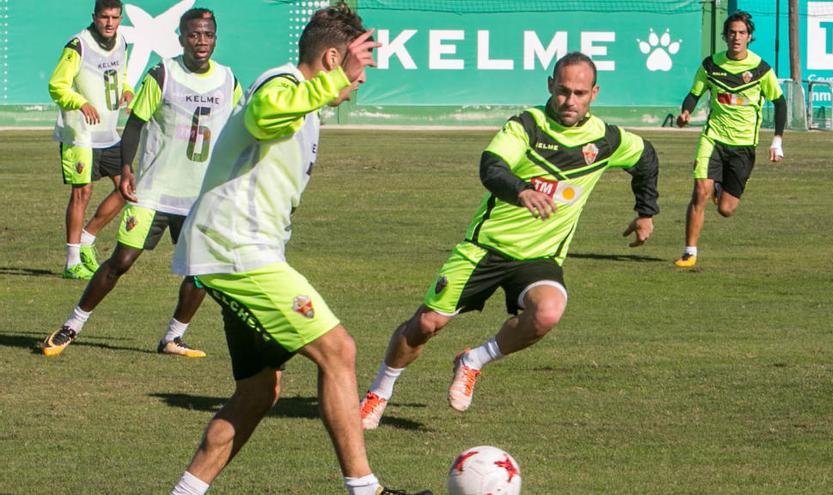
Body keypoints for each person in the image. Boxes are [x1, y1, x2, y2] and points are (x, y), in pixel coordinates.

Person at [168, 4, 430, 495]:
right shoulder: (280, 82)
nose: (361, 81)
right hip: (236, 250)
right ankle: (365, 489)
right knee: (339, 351)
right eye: (359, 67)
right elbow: (266, 115)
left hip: (239, 251)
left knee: (258, 391)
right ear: (333, 59)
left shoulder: (307, 103)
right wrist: (330, 86)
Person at [359, 51, 660, 429]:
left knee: (548, 312)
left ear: (594, 93)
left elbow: (646, 156)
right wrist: (521, 191)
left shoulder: (605, 139)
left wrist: (646, 211)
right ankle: (379, 392)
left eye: (580, 93)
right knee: (427, 324)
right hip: (484, 249)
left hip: (539, 257)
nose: (570, 101)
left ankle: (473, 361)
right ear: (550, 85)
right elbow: (492, 166)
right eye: (563, 91)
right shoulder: (526, 125)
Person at [41, 8, 242, 358]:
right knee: (121, 261)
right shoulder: (164, 73)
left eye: (208, 35)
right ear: (180, 38)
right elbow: (134, 124)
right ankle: (72, 325)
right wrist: (128, 169)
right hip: (154, 192)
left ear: (216, 38)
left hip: (198, 198)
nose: (201, 42)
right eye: (194, 34)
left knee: (201, 271)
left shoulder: (227, 80)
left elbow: (242, 127)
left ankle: (172, 338)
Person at [673, 11, 786, 268]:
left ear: (749, 37)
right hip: (713, 138)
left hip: (744, 146)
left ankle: (721, 190)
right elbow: (694, 94)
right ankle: (690, 252)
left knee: (726, 209)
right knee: (700, 191)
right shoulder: (711, 65)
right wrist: (686, 111)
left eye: (742, 33)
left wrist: (777, 140)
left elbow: (780, 103)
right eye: (732, 33)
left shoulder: (760, 69)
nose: (737, 37)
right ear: (725, 36)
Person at [49, 0, 134, 280]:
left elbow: (120, 74)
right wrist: (80, 102)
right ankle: (72, 262)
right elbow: (57, 85)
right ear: (94, 17)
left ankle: (87, 239)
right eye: (104, 17)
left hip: (109, 133)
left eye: (115, 17)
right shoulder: (78, 45)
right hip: (80, 134)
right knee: (81, 194)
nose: (110, 23)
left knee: (128, 188)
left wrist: (128, 90)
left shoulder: (121, 42)